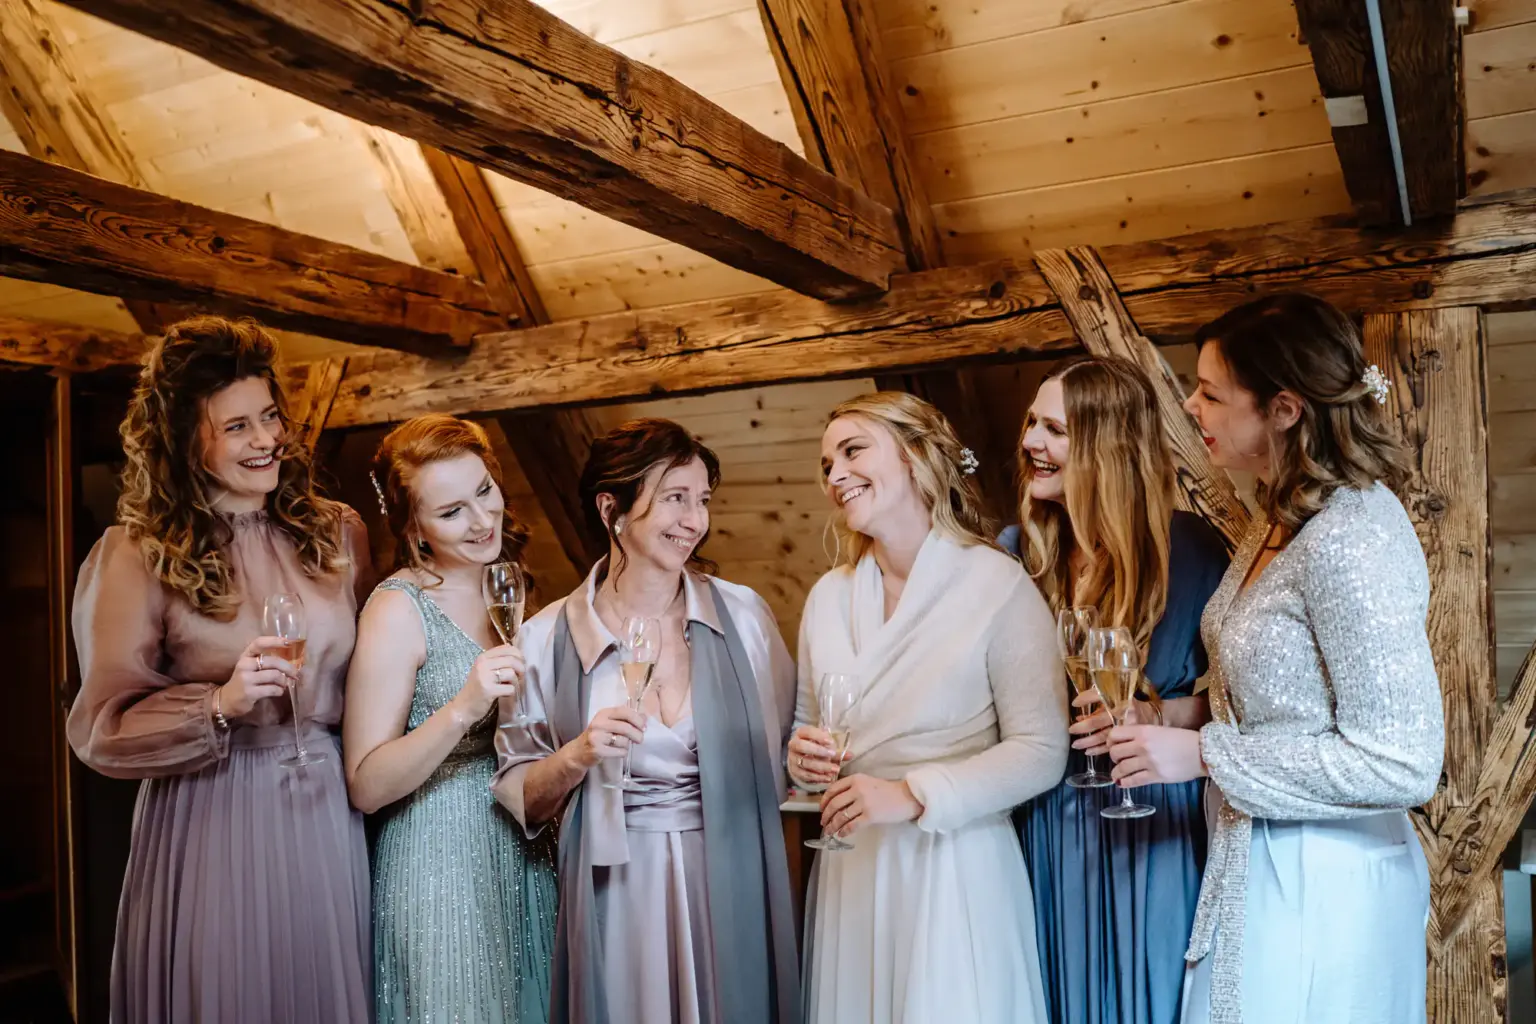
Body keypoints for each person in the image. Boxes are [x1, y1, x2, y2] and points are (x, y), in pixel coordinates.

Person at [1106, 294, 1444, 1024]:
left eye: (1211, 393)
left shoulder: (1353, 537)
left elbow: (1402, 761)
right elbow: (1276, 698)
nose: (1191, 406)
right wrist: (1165, 715)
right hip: (1257, 862)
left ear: (1284, 409)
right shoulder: (1277, 515)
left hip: (1329, 885)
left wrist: (1200, 754)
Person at [67, 316, 373, 1023]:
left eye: (269, 417)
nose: (267, 440)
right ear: (185, 441)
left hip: (328, 807)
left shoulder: (339, 533)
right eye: (237, 427)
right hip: (214, 813)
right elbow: (101, 726)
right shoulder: (135, 555)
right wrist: (220, 704)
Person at [492, 418, 799, 1024]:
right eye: (674, 499)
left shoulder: (745, 617)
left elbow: (788, 751)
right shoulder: (544, 637)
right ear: (613, 508)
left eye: (702, 500)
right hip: (618, 887)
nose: (694, 520)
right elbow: (519, 797)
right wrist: (577, 754)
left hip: (733, 875)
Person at [788, 391, 1069, 1024]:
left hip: (954, 865)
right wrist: (803, 761)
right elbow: (810, 734)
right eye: (826, 463)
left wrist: (914, 793)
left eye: (853, 451)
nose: (835, 475)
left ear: (916, 455)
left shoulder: (996, 583)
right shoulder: (827, 598)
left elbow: (1043, 751)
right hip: (853, 870)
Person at [1000, 357, 1229, 1024]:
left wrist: (1153, 712)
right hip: (1048, 819)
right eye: (1030, 424)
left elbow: (1241, 706)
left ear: (1107, 446)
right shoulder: (1015, 553)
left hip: (1154, 821)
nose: (1031, 444)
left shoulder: (1187, 550)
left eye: (1054, 430)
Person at [342, 414, 558, 1023]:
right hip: (440, 860)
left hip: (522, 845)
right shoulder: (396, 609)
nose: (483, 520)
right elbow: (364, 783)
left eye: (484, 491)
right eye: (452, 511)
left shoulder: (510, 584)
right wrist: (464, 706)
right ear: (414, 528)